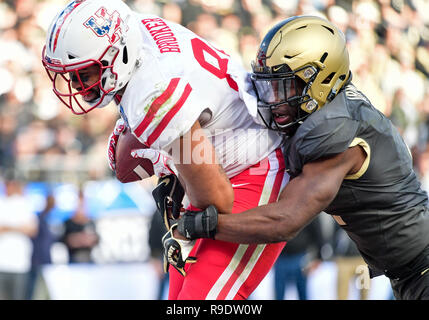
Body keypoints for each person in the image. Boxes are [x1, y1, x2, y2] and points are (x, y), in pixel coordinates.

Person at [42, 0, 288, 300]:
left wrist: (169, 158)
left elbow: (217, 200)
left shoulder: (153, 94)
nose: (76, 83)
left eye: (85, 71)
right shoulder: (135, 29)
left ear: (117, 56)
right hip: (226, 156)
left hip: (252, 170)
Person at [173, 16, 429, 300]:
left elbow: (284, 220)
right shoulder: (329, 112)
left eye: (284, 86)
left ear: (321, 79)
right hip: (411, 271)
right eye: (267, 86)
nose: (271, 99)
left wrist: (202, 224)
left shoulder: (337, 132)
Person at [0, 177, 38, 300]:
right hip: (2, 264)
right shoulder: (2, 203)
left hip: (20, 264)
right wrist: (19, 228)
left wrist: (7, 227)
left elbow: (32, 229)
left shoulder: (25, 204)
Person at [61, 189, 99, 263]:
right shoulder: (68, 223)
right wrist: (74, 240)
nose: (81, 208)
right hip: (73, 258)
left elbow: (97, 239)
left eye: (83, 205)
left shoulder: (90, 222)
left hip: (89, 259)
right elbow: (62, 240)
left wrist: (91, 239)